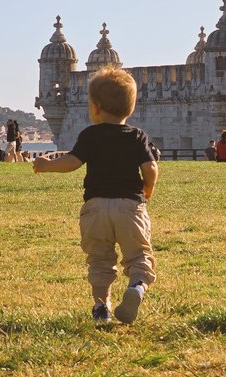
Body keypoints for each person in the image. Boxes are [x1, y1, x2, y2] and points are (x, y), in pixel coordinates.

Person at [33, 66, 158, 326]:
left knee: (100, 260)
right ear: (130, 107)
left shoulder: (90, 135)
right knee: (138, 256)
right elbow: (150, 168)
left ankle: (102, 308)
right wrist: (148, 188)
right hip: (130, 207)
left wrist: (47, 166)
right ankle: (136, 286)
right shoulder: (137, 136)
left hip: (95, 207)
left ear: (96, 107)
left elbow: (72, 162)